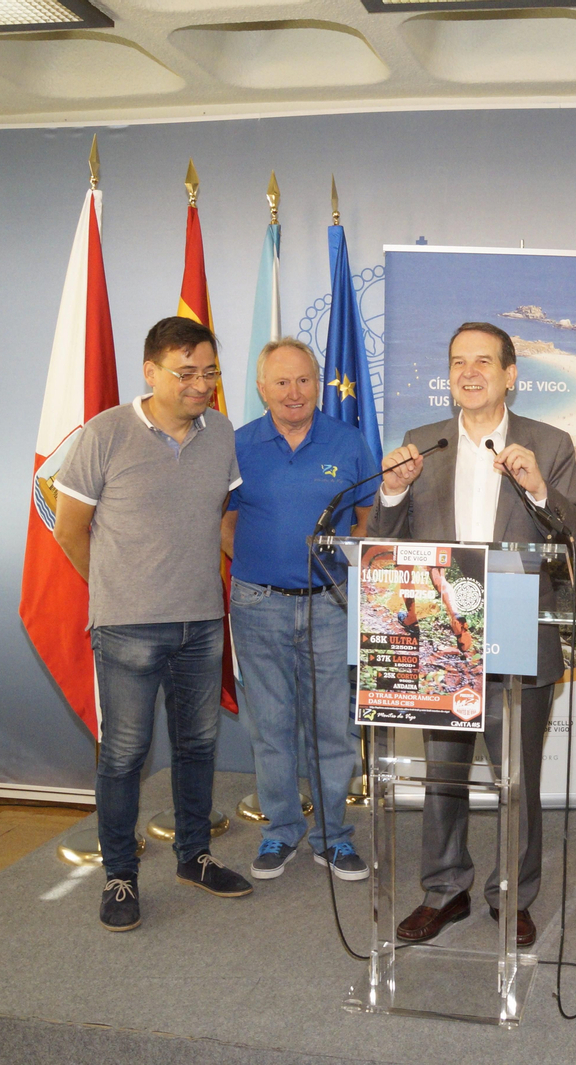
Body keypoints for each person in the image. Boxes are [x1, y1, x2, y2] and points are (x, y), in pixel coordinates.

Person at [371, 321, 576, 949]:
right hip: (439, 630)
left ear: (510, 375)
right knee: (443, 775)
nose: (468, 372)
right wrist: (391, 490)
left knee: (516, 777)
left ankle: (513, 895)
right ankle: (444, 890)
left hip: (519, 629)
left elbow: (573, 540)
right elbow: (388, 543)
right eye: (457, 362)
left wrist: (538, 490)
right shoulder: (422, 444)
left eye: (483, 362)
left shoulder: (548, 444)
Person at [53, 316, 254, 933]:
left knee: (197, 746)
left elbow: (221, 521)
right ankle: (119, 874)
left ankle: (194, 856)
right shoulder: (106, 433)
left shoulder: (220, 433)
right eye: (186, 373)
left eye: (210, 372)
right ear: (151, 372)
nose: (201, 385)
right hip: (128, 627)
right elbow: (69, 529)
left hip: (200, 620)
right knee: (124, 754)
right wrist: (119, 589)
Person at [221, 339, 380, 883]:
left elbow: (367, 517)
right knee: (270, 726)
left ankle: (334, 837)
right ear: (262, 388)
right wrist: (255, 562)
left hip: (330, 606)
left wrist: (346, 570)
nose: (295, 392)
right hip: (257, 604)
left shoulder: (349, 441)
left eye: (304, 380)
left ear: (318, 384)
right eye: (282, 382)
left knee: (332, 726)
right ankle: (280, 831)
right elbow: (223, 521)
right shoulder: (238, 446)